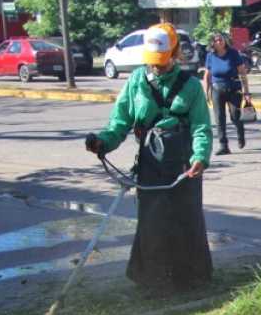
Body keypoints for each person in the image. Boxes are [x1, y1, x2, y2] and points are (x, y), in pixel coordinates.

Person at [86, 22, 214, 294]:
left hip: (184, 163)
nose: (157, 66)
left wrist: (200, 158)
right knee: (152, 223)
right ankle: (154, 281)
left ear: (175, 53)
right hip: (151, 163)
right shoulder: (136, 82)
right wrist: (102, 142)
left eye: (163, 61)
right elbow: (119, 123)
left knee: (186, 220)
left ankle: (190, 279)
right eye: (153, 61)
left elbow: (201, 127)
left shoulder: (191, 87)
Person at [203, 31, 251, 155]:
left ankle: (240, 133)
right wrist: (206, 92)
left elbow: (242, 72)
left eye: (221, 39)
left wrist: (246, 92)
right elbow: (207, 75)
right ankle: (223, 145)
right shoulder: (210, 56)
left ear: (225, 41)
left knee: (235, 115)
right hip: (217, 89)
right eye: (216, 40)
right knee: (219, 118)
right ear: (213, 43)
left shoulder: (233, 53)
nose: (219, 42)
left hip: (234, 88)